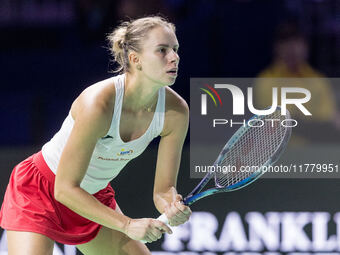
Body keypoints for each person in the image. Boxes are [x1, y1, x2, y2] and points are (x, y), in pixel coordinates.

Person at [0, 16, 191, 255]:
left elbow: (163, 190)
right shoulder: (99, 104)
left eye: (175, 49)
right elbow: (65, 189)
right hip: (40, 190)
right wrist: (128, 225)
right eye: (162, 50)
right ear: (135, 59)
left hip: (91, 197)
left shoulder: (176, 112)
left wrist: (171, 205)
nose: (174, 57)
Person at [254, 21, 339, 144]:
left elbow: (328, 120)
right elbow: (280, 124)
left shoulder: (318, 80)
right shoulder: (266, 81)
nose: (292, 47)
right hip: (279, 153)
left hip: (314, 151)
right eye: (285, 41)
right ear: (276, 47)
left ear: (306, 46)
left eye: (297, 41)